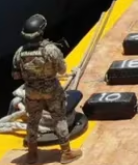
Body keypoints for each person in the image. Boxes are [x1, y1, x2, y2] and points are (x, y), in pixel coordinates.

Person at [12, 14, 83, 164]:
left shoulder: (19, 52)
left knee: (33, 121)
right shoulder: (51, 50)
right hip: (52, 92)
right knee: (59, 119)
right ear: (41, 32)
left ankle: (32, 155)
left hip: (32, 93)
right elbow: (62, 70)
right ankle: (66, 153)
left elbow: (16, 75)